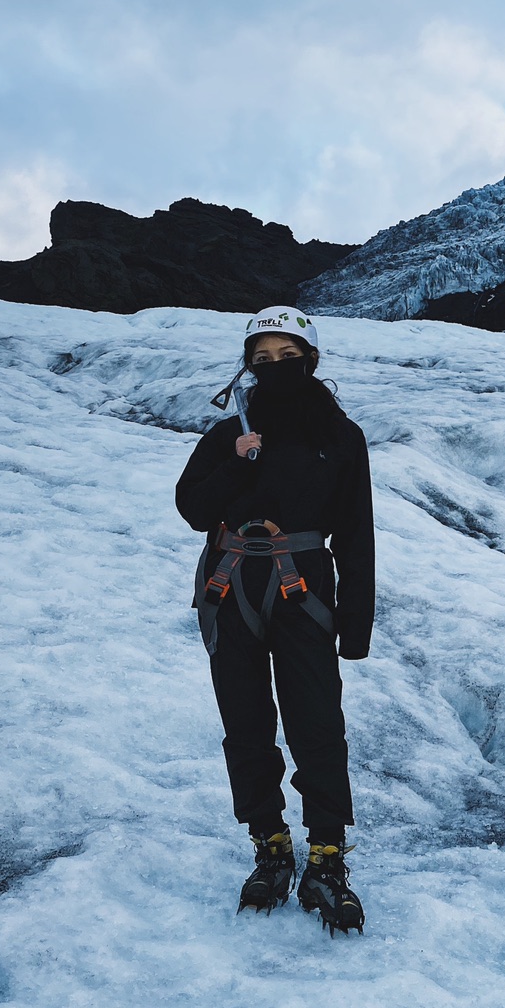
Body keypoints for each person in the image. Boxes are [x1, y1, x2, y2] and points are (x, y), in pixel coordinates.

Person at [174, 307, 374, 935]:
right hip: (231, 584)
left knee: (317, 723)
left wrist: (357, 620)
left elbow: (357, 533)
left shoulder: (340, 437)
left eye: (287, 355)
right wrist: (238, 460)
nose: (274, 366)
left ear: (310, 359)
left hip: (305, 588)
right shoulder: (229, 431)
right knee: (246, 721)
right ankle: (270, 845)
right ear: (247, 363)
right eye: (262, 358)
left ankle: (327, 855)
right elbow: (191, 508)